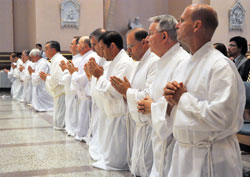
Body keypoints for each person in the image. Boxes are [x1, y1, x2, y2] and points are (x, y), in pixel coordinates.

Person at [164, 4, 245, 177]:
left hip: (211, 158)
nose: (177, 25)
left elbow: (222, 117)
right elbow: (179, 108)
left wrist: (182, 99)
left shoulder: (221, 66)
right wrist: (171, 102)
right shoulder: (185, 64)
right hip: (184, 153)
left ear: (197, 25)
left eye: (182, 20)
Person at [137, 15, 190, 177]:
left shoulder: (182, 61)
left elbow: (176, 103)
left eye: (150, 34)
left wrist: (152, 107)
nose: (147, 39)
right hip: (159, 134)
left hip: (174, 138)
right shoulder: (162, 61)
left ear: (164, 36)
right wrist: (148, 105)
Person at [110, 28, 157, 176]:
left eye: (131, 46)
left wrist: (127, 92)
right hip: (138, 123)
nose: (129, 51)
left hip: (149, 123)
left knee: (148, 166)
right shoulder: (138, 62)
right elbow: (131, 90)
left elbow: (149, 95)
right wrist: (126, 92)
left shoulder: (154, 62)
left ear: (144, 43)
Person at [87, 31, 136, 170]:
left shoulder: (124, 63)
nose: (101, 52)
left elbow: (115, 90)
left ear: (113, 46)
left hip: (120, 113)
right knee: (107, 150)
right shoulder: (111, 62)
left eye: (103, 48)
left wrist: (99, 77)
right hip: (110, 111)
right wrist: (96, 76)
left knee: (117, 157)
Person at [70, 36, 99, 141]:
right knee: (82, 117)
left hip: (87, 93)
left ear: (86, 46)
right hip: (83, 94)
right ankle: (83, 133)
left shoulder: (91, 57)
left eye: (79, 44)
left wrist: (73, 73)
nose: (77, 46)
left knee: (86, 117)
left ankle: (85, 134)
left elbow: (83, 79)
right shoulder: (84, 57)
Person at [40, 41, 67, 130]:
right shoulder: (55, 60)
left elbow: (58, 79)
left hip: (61, 92)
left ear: (53, 50)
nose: (45, 51)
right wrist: (48, 77)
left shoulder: (58, 60)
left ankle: (61, 126)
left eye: (47, 49)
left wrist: (46, 78)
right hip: (59, 92)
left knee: (61, 113)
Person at [59, 37, 80, 136]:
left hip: (74, 92)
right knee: (70, 111)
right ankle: (69, 128)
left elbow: (70, 77)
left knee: (73, 112)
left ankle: (73, 129)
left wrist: (65, 70)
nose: (70, 46)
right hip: (69, 91)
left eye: (72, 44)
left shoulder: (80, 59)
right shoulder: (75, 58)